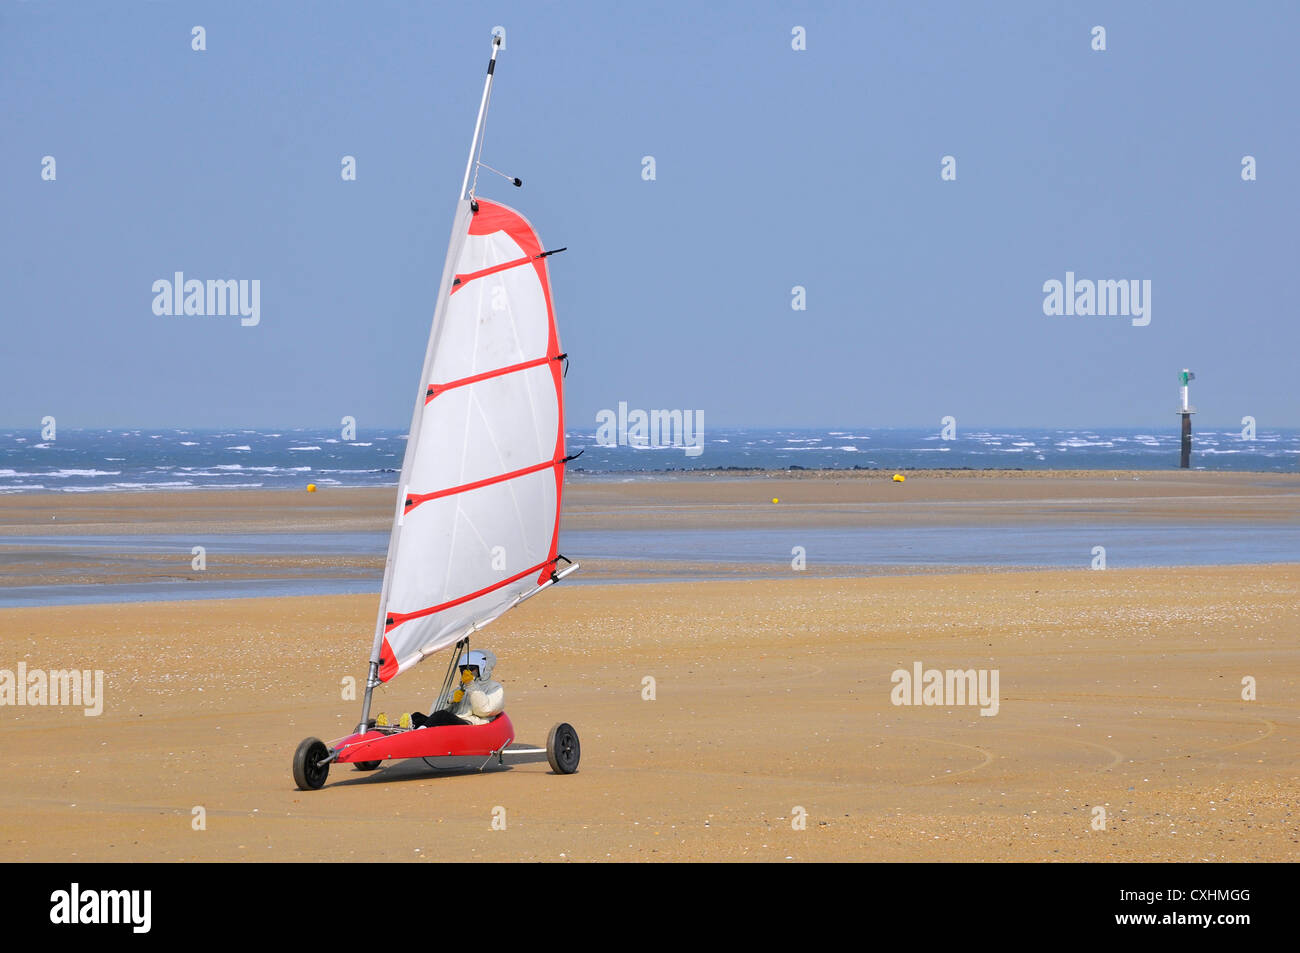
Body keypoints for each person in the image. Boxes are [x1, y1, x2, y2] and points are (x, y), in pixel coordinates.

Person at [409, 650, 504, 728]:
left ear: (482, 668)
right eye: (462, 669)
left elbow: (484, 710)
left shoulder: (495, 687)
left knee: (442, 716)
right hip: (457, 722)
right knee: (417, 717)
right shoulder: (462, 688)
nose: (466, 672)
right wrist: (450, 700)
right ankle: (400, 734)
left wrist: (471, 686)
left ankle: (418, 734)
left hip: (473, 725)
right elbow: (434, 711)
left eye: (471, 668)